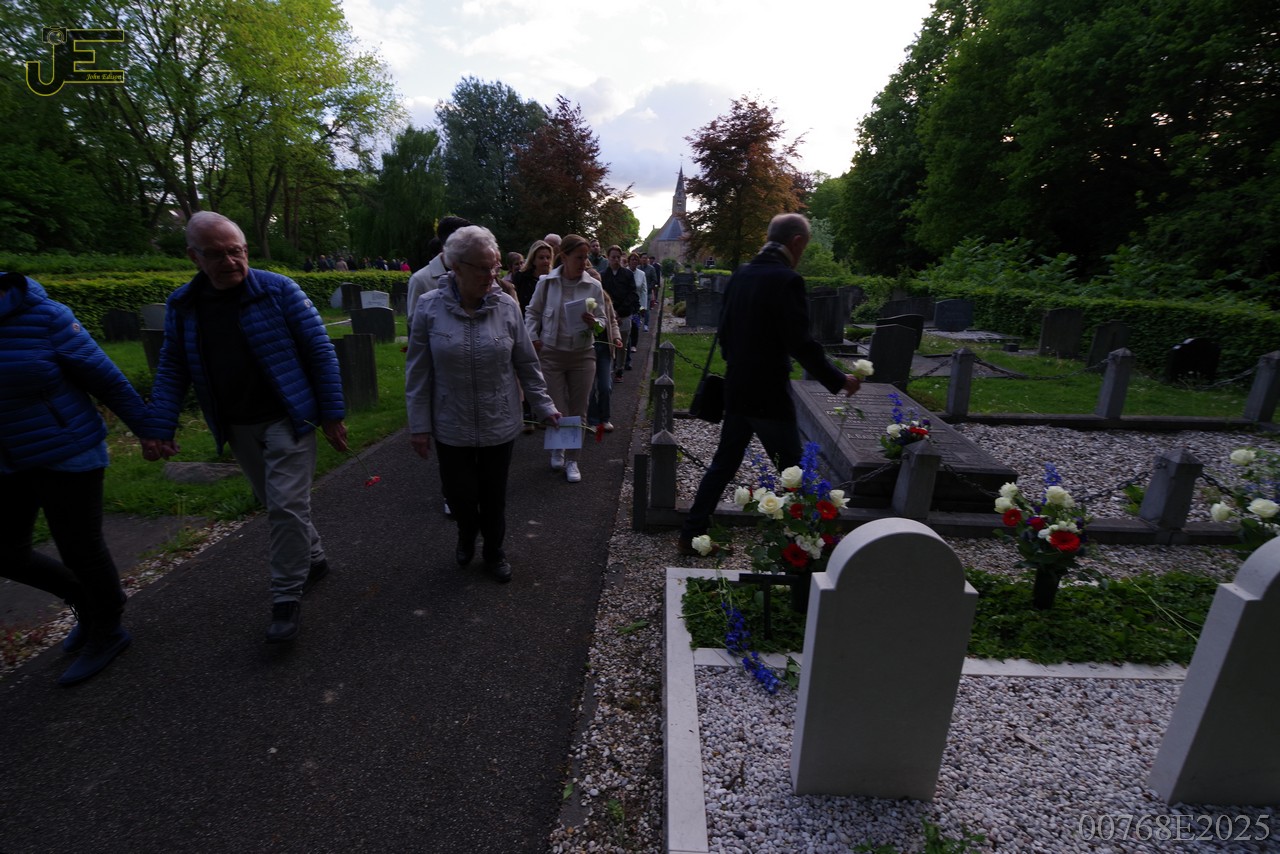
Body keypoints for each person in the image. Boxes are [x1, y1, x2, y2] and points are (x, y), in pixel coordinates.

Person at [145, 211, 348, 643]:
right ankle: (314, 559)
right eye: (216, 254)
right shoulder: (184, 305)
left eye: (236, 251)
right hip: (236, 424)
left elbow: (319, 350)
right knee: (275, 503)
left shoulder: (279, 290)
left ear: (246, 250)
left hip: (288, 417)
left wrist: (332, 414)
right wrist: (160, 425)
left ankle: (285, 598)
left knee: (286, 506)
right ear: (194, 257)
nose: (230, 261)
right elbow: (173, 367)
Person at [0, 272, 165, 685]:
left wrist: (149, 430)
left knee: (79, 547)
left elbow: (103, 376)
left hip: (67, 450)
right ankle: (85, 600)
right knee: (6, 551)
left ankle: (108, 627)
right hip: (8, 460)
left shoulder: (44, 315)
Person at [678, 214, 863, 555]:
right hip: (769, 395)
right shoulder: (787, 280)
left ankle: (691, 534)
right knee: (796, 471)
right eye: (804, 247)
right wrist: (839, 379)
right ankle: (811, 546)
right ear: (796, 242)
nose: (802, 254)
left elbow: (725, 333)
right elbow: (800, 343)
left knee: (722, 465)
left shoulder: (740, 275)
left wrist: (741, 363)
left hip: (737, 388)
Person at [406, 226, 560, 583]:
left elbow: (526, 363)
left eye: (494, 266)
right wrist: (419, 426)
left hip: (498, 419)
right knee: (459, 496)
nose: (492, 275)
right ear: (456, 267)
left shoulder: (506, 306)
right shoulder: (429, 307)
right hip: (451, 422)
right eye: (482, 268)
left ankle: (493, 550)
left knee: (493, 496)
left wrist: (544, 406)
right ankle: (466, 533)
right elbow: (417, 371)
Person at [524, 234, 617, 483]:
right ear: (563, 257)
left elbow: (603, 322)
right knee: (557, 408)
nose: (583, 262)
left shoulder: (593, 286)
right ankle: (558, 448)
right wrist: (533, 337)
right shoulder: (546, 283)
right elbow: (532, 313)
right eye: (578, 257)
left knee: (579, 408)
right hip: (552, 354)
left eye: (585, 258)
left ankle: (573, 460)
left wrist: (594, 322)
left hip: (583, 355)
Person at [407, 216, 472, 325]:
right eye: (467, 243)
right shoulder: (420, 280)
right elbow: (415, 324)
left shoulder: (474, 273)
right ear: (450, 244)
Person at [600, 246, 640, 383]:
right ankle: (609, 368)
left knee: (622, 344)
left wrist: (620, 311)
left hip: (624, 314)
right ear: (608, 257)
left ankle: (619, 369)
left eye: (618, 257)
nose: (616, 260)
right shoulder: (603, 275)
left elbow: (632, 294)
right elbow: (602, 296)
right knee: (608, 343)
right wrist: (611, 312)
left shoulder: (627, 274)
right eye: (613, 257)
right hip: (608, 315)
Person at [586, 290, 622, 433]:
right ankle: (593, 420)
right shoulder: (581, 299)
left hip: (604, 349)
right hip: (587, 349)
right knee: (589, 388)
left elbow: (612, 321)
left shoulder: (606, 300)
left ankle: (605, 418)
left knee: (605, 386)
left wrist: (616, 337)